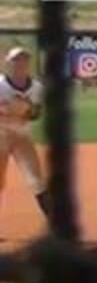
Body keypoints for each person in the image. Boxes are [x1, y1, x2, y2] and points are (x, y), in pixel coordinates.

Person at [0, 46, 49, 232]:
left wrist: (28, 109)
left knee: (36, 179)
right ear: (8, 63)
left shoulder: (37, 88)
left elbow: (36, 114)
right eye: (16, 60)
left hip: (22, 136)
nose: (20, 63)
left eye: (24, 60)